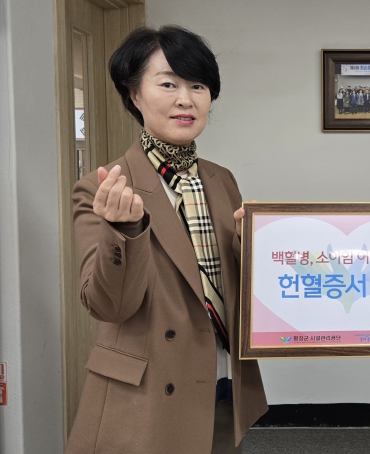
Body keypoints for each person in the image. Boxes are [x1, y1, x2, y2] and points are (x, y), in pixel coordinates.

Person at [66, 25, 267, 454]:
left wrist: (255, 246)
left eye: (198, 86)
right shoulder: (102, 188)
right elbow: (109, 306)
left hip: (222, 381)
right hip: (147, 397)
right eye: (168, 84)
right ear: (134, 95)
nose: (186, 99)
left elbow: (229, 287)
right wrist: (124, 231)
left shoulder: (221, 179)